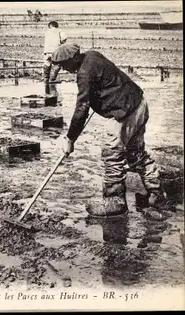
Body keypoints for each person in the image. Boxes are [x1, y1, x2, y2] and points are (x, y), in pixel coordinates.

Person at [51, 43, 174, 219]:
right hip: (138, 103)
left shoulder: (84, 74)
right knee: (136, 154)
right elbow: (108, 81)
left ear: (74, 58)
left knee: (111, 153)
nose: (64, 68)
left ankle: (114, 201)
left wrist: (70, 139)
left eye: (65, 64)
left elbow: (81, 109)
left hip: (124, 113)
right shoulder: (92, 55)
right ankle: (156, 195)